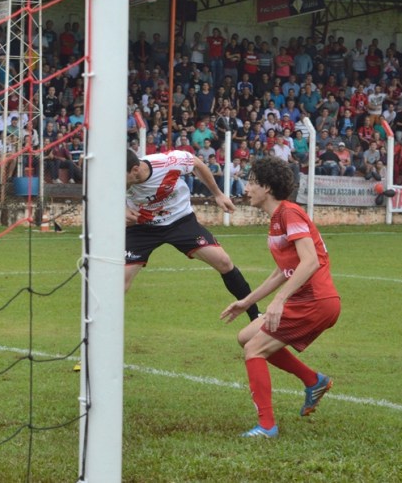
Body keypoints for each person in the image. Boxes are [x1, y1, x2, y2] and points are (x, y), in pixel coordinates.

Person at [220, 156, 340, 438]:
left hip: (315, 301)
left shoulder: (289, 213)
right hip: (309, 300)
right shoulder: (278, 219)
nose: (246, 187)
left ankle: (267, 426)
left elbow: (309, 261)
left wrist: (279, 300)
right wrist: (247, 302)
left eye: (251, 182)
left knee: (254, 350)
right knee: (245, 338)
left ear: (267, 187)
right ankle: (314, 381)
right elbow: (281, 272)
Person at [124, 149, 260, 320]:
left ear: (135, 170)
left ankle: (256, 316)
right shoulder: (118, 177)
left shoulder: (167, 162)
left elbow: (196, 163)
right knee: (121, 283)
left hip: (180, 221)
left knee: (224, 262)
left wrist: (217, 194)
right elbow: (101, 194)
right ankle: (98, 332)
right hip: (141, 228)